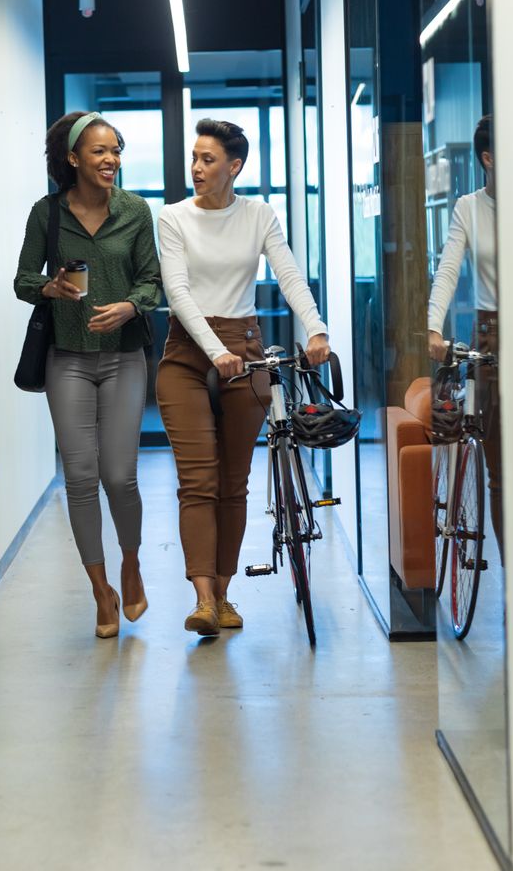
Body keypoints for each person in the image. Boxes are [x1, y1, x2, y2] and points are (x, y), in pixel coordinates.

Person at [156, 118, 330, 637]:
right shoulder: (172, 218)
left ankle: (225, 594)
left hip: (245, 351)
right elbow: (178, 293)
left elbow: (289, 274)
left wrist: (316, 331)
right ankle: (203, 600)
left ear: (234, 167)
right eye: (194, 157)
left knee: (233, 482)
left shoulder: (259, 215)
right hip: (187, 352)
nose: (196, 168)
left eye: (208, 160)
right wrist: (214, 351)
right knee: (198, 481)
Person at [15, 111, 161, 639]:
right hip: (67, 359)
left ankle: (131, 561)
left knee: (119, 475)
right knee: (80, 477)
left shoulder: (136, 212)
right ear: (73, 158)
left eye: (116, 151)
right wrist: (47, 287)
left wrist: (129, 306)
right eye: (100, 152)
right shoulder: (46, 214)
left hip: (124, 356)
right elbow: (23, 279)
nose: (110, 160)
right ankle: (101, 590)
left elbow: (152, 281)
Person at [428, 115, 501, 556]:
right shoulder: (469, 208)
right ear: (488, 158)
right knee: (501, 468)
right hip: (493, 333)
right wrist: (434, 326)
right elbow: (448, 269)